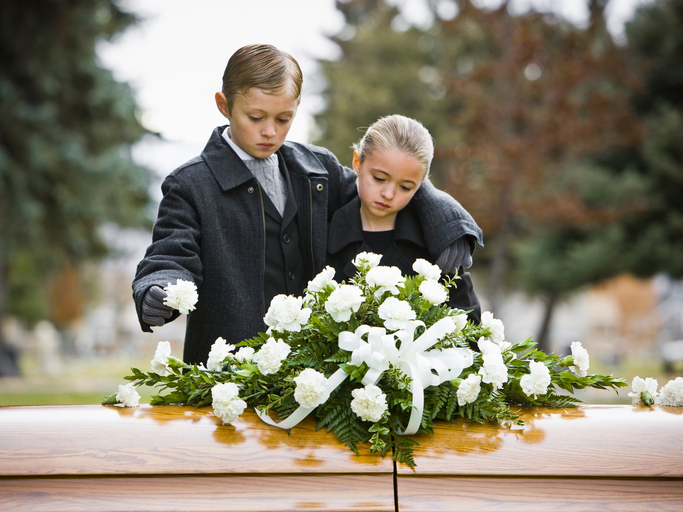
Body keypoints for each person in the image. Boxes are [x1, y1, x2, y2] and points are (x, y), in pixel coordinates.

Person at [133, 44, 481, 365]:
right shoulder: (191, 184)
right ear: (224, 105)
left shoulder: (318, 168)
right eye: (256, 118)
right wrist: (159, 286)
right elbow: (170, 254)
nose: (269, 131)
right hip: (228, 375)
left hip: (311, 375)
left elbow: (386, 182)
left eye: (283, 119)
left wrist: (449, 225)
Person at [327, 114, 482, 322]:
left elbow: (468, 324)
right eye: (379, 178)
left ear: (421, 185)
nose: (389, 194)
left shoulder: (437, 243)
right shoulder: (322, 228)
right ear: (357, 162)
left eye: (405, 187)